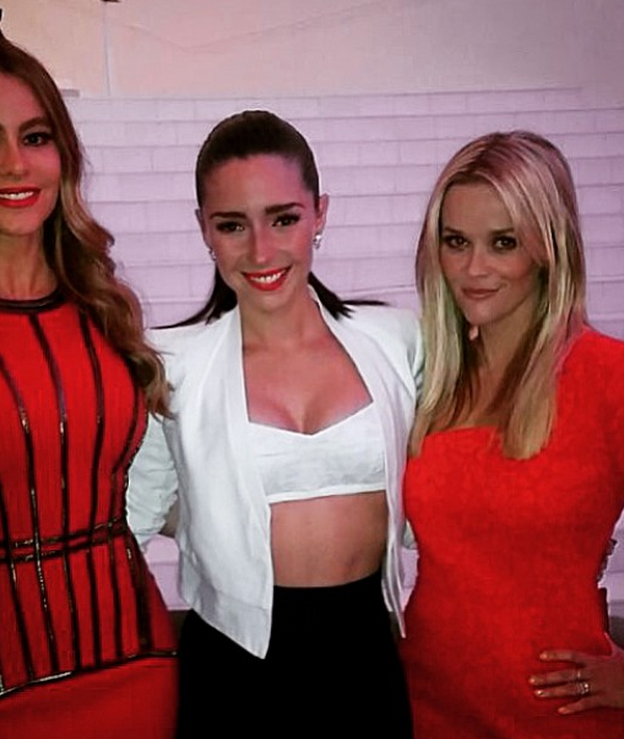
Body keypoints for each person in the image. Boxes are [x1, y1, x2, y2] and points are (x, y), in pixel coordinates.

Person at [0, 34, 177, 738]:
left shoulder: (104, 303)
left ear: (63, 153)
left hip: (140, 668)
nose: (15, 163)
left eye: (36, 137)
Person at [127, 110, 421, 736]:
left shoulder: (399, 341)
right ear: (204, 229)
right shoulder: (172, 365)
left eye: (283, 218)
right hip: (233, 670)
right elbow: (125, 516)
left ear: (320, 214)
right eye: (232, 225)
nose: (260, 251)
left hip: (366, 659)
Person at [399, 130, 624, 738]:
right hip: (431, 707)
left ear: (549, 247)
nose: (474, 269)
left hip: (561, 720)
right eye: (456, 242)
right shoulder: (428, 381)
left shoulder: (609, 377)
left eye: (504, 243)